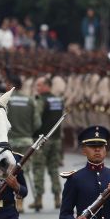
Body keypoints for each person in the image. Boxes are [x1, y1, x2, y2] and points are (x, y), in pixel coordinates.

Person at [2, 75, 39, 212]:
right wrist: (28, 132)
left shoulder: (6, 100)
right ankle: (25, 200)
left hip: (9, 140)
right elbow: (37, 123)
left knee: (9, 170)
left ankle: (15, 202)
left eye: (7, 82)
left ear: (11, 84)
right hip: (26, 140)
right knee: (25, 171)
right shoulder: (29, 100)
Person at [34, 76, 65, 209]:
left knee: (38, 168)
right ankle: (57, 198)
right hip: (56, 139)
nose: (37, 88)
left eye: (39, 85)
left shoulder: (41, 100)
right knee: (53, 168)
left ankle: (38, 199)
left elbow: (37, 119)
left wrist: (33, 133)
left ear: (47, 86)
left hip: (43, 139)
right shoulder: (58, 100)